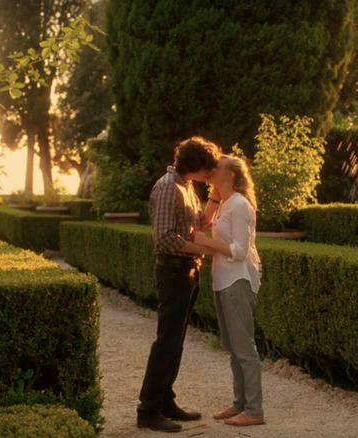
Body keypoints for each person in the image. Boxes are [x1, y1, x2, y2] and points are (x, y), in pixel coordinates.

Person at [137, 136, 222, 433]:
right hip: (172, 272)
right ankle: (148, 410)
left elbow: (186, 229)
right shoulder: (166, 188)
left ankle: (165, 401)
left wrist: (202, 225)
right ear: (194, 165)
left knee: (176, 341)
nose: (208, 174)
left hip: (187, 271)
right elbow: (164, 239)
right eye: (206, 168)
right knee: (166, 342)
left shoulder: (187, 187)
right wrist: (205, 249)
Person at [194, 155, 265, 427]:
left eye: (218, 166)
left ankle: (255, 411)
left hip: (238, 280)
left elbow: (240, 251)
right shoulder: (224, 204)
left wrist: (206, 244)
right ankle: (240, 405)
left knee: (244, 348)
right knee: (232, 347)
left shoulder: (240, 206)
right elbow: (206, 226)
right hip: (222, 280)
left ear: (231, 175)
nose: (211, 169)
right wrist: (212, 200)